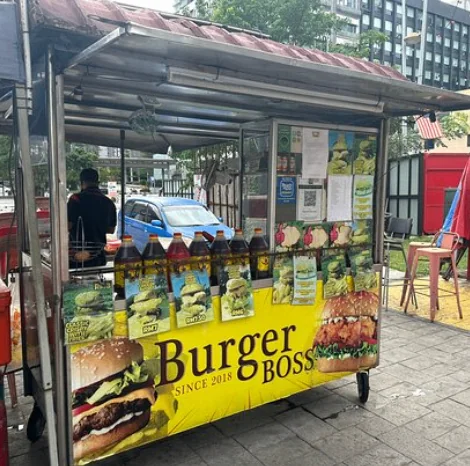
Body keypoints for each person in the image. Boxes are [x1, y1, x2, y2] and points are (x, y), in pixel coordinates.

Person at [68, 168, 116, 267]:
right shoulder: (108, 202)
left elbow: (68, 225)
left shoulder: (75, 199)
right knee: (97, 281)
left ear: (82, 182)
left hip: (77, 256)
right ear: (97, 182)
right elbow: (111, 230)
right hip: (98, 255)